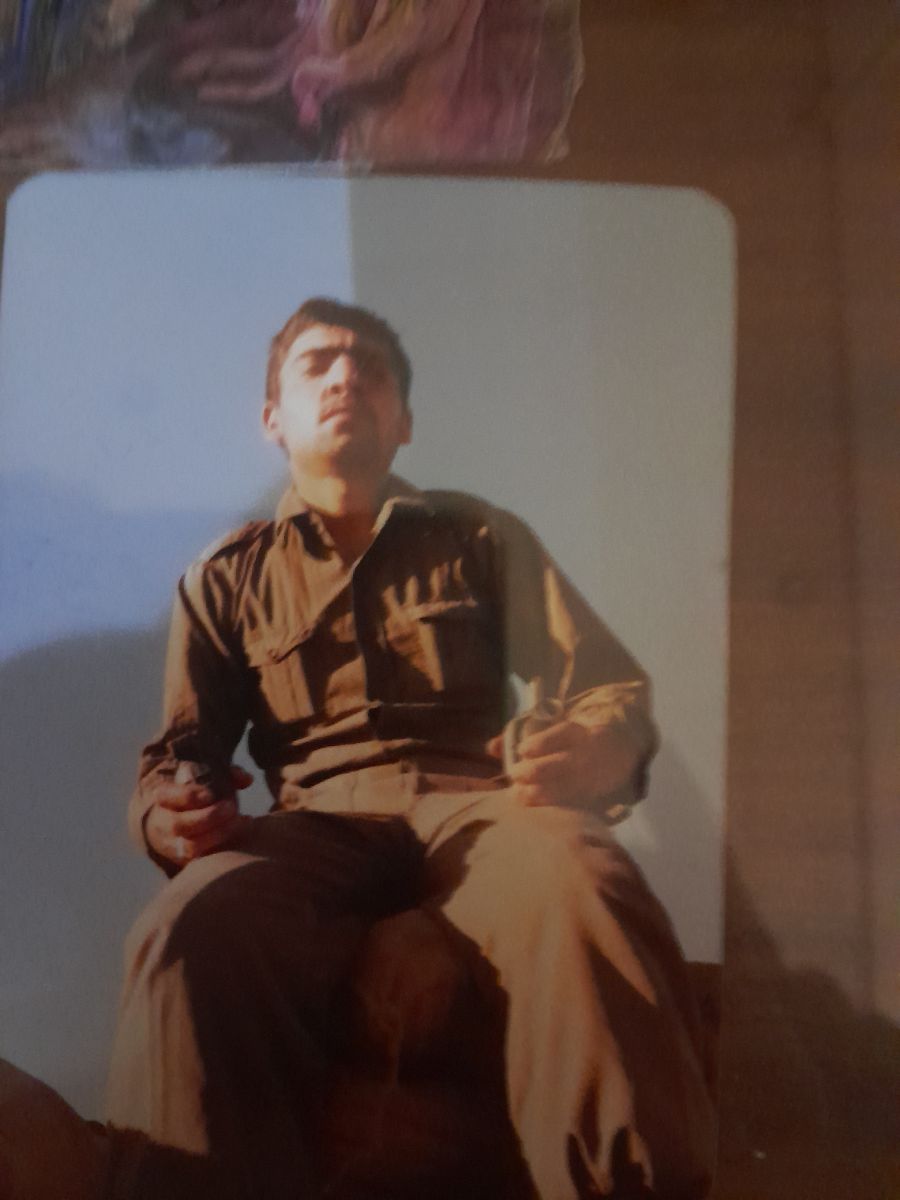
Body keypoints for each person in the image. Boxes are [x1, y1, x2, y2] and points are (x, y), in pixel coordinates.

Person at [104, 297, 716, 1200]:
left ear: (404, 422)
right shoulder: (224, 578)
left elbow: (604, 686)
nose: (347, 375)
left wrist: (595, 746)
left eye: (372, 367)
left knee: (584, 879)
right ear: (273, 418)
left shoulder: (481, 536)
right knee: (187, 930)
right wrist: (169, 817)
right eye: (317, 364)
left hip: (483, 804)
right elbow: (179, 753)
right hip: (313, 822)